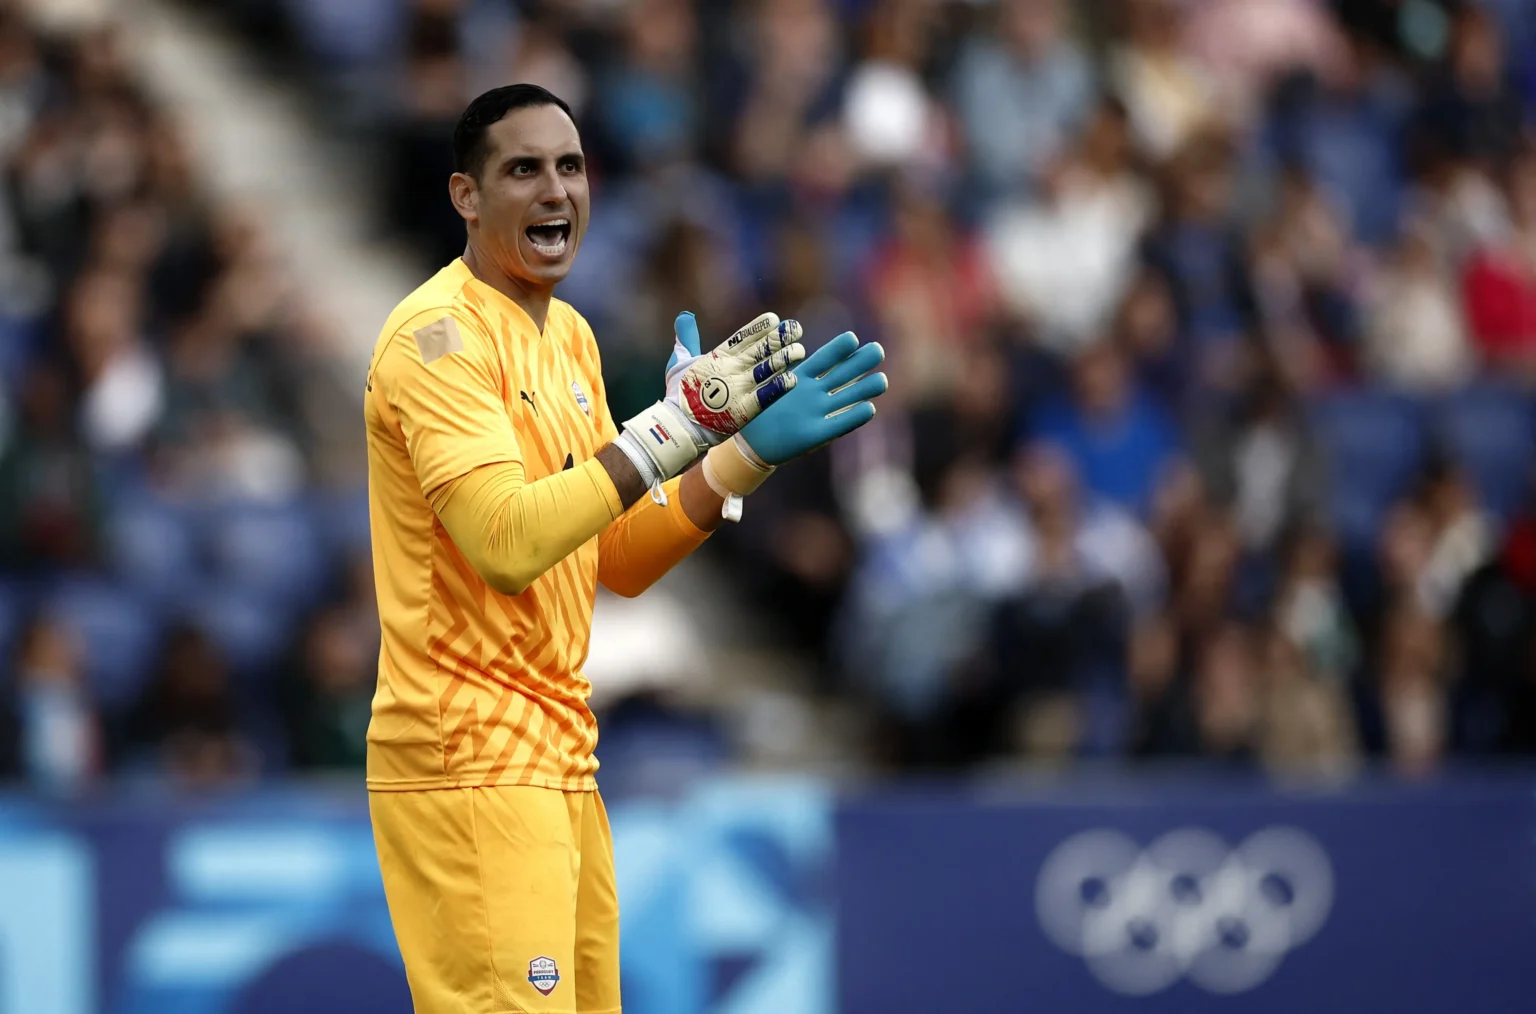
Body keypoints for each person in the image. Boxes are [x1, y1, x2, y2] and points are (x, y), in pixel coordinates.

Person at [362, 83, 887, 1014]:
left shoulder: (569, 338)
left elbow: (616, 559)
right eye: (523, 169)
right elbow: (508, 543)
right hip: (472, 757)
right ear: (464, 197)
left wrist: (737, 454)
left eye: (569, 166)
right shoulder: (435, 344)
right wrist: (669, 428)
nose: (555, 189)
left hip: (561, 750)